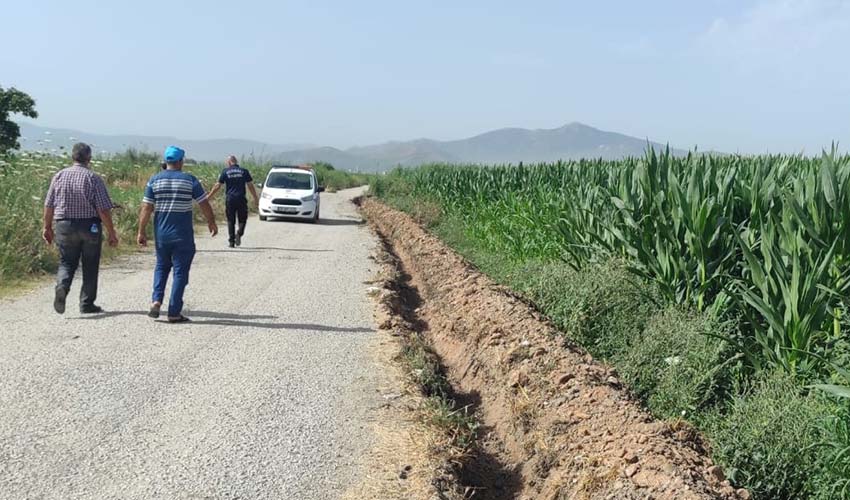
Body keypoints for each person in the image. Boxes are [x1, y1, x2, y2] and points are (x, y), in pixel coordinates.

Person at [137, 146, 218, 323]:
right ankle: (174, 311)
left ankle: (156, 300)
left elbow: (146, 207)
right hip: (183, 236)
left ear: (166, 162)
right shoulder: (190, 180)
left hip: (161, 235)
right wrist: (211, 221)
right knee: (180, 272)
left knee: (161, 267)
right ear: (181, 161)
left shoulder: (154, 181)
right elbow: (204, 203)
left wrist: (141, 231)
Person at [42, 142, 119, 314]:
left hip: (64, 224)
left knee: (66, 262)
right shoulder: (93, 178)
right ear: (89, 158)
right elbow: (103, 209)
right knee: (90, 264)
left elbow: (49, 205)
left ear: (72, 157)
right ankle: (86, 303)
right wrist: (112, 232)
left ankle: (62, 286)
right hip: (89, 225)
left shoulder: (59, 176)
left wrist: (47, 227)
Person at [206, 155, 259, 248]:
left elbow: (217, 186)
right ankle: (239, 233)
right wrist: (255, 198)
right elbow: (250, 185)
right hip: (241, 198)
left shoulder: (225, 171)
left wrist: (209, 196)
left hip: (230, 199)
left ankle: (231, 242)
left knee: (231, 220)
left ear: (229, 162)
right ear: (236, 162)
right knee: (242, 219)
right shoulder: (244, 171)